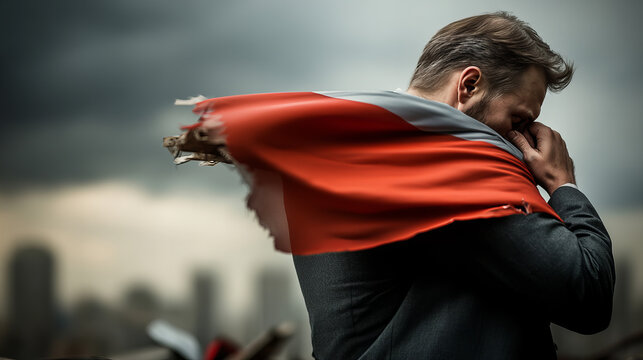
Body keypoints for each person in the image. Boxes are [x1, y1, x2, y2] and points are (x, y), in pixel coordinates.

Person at [292, 12, 615, 359]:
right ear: (469, 86)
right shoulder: (443, 167)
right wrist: (563, 184)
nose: (521, 139)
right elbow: (588, 293)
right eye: (518, 120)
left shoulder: (349, 148)